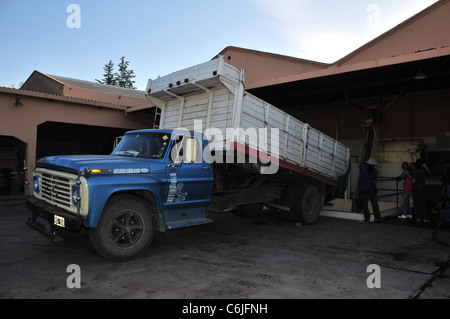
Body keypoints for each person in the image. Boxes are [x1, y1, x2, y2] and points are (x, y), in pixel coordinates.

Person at [358, 157, 382, 223]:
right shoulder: (375, 172)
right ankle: (377, 217)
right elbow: (374, 181)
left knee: (364, 203)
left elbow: (359, 164)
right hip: (371, 188)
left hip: (362, 187)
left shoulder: (363, 168)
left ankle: (367, 218)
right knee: (374, 203)